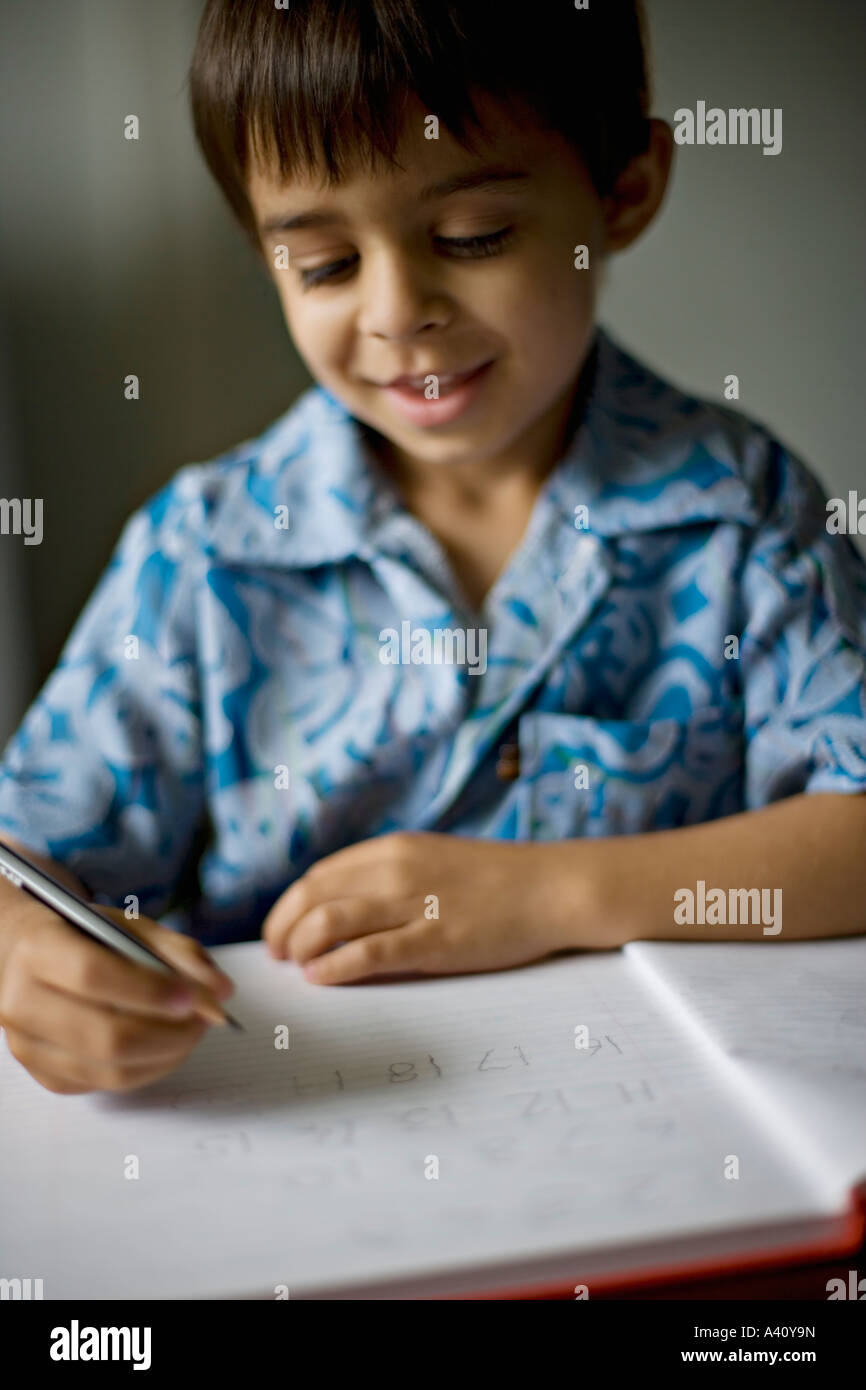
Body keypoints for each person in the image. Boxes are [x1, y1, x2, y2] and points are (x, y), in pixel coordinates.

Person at [1, 0, 864, 1095]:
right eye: (321, 264)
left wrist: (550, 893)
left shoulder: (737, 513)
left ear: (622, 191)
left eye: (472, 238)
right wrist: (28, 957)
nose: (398, 310)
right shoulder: (205, 554)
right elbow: (24, 857)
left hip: (663, 1131)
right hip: (304, 1132)